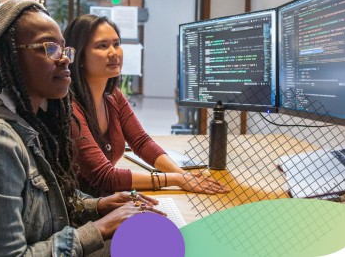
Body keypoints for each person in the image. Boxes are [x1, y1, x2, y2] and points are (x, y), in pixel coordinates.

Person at [0, 0, 162, 257]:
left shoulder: (32, 122)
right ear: (3, 60)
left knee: (156, 238)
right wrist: (101, 228)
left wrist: (99, 205)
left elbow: (46, 206)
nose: (64, 59)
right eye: (48, 48)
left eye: (63, 48)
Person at [63, 14, 229, 197]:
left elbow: (141, 142)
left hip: (105, 200)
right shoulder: (70, 107)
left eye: (117, 44)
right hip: (79, 212)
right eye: (102, 46)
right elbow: (105, 177)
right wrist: (175, 179)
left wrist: (182, 174)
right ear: (79, 56)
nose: (114, 53)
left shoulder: (113, 96)